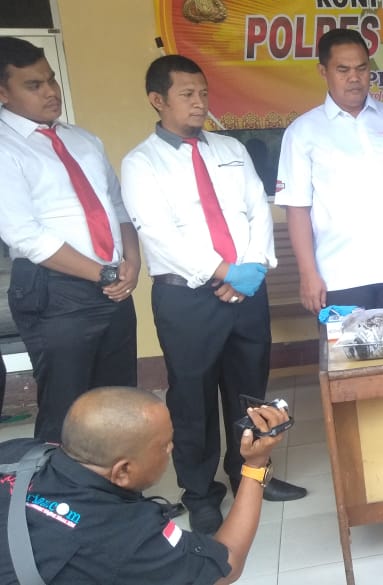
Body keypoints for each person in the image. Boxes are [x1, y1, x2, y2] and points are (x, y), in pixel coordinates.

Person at [120, 55, 306, 535]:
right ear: (157, 100)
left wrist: (251, 269)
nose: (199, 102)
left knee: (249, 392)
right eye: (187, 94)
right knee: (193, 398)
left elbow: (257, 209)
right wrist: (224, 272)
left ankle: (250, 476)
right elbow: (157, 232)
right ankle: (200, 493)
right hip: (187, 299)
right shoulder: (141, 162)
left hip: (246, 292)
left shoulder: (230, 148)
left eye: (203, 93)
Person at [0, 386, 287, 584]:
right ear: (123, 471)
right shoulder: (130, 537)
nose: (172, 448)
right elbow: (227, 564)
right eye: (164, 445)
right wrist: (255, 465)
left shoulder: (17, 453)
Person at [0, 37, 139, 443]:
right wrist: (105, 273)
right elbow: (24, 234)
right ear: (3, 93)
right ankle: (58, 485)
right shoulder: (5, 148)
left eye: (51, 79)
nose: (50, 92)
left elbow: (118, 207)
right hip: (55, 291)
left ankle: (115, 484)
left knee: (118, 403)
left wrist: (131, 263)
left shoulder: (83, 140)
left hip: (113, 285)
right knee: (68, 410)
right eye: (34, 85)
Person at [277, 28, 383, 313]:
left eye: (362, 68)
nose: (354, 78)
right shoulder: (303, 132)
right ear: (323, 71)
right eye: (343, 70)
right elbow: (297, 209)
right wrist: (308, 274)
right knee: (345, 345)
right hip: (339, 276)